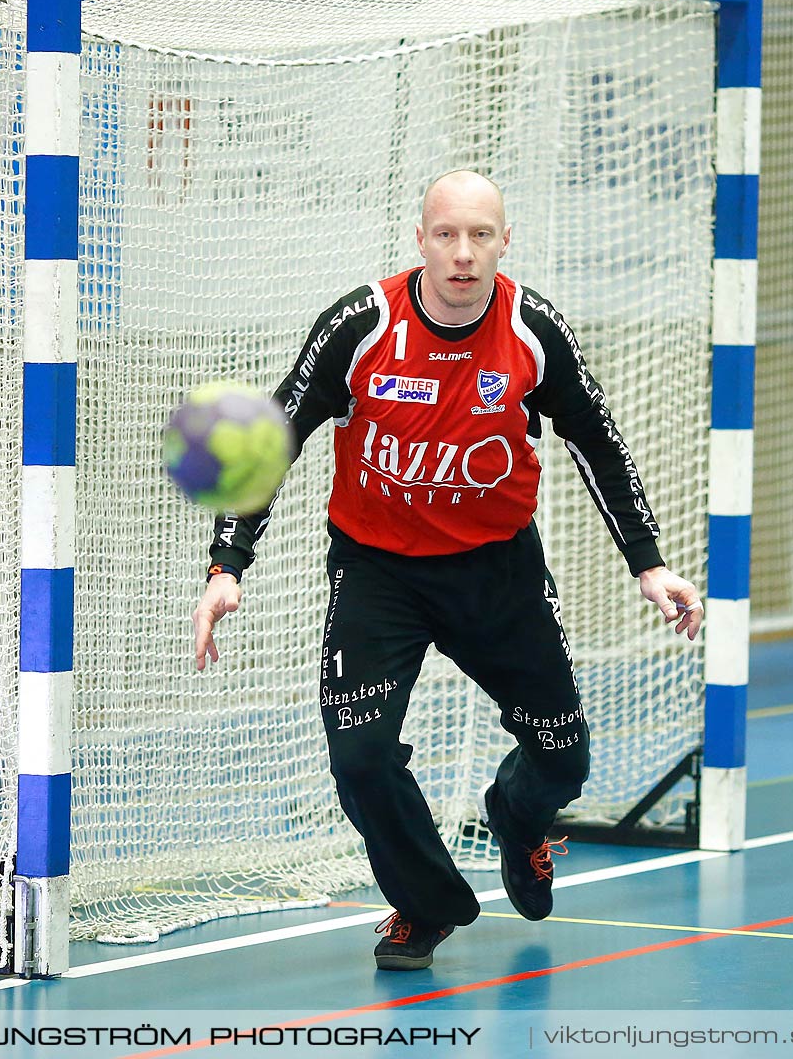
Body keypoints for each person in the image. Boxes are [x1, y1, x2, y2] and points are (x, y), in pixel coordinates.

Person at [191, 170, 702, 971]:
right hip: (377, 572)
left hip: (497, 571)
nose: (463, 254)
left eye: (481, 236)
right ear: (420, 239)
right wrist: (228, 562)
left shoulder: (533, 330)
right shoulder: (361, 324)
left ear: (505, 242)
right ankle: (424, 906)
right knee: (358, 757)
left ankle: (517, 818)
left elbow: (597, 442)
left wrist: (649, 564)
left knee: (563, 759)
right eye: (447, 235)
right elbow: (275, 434)